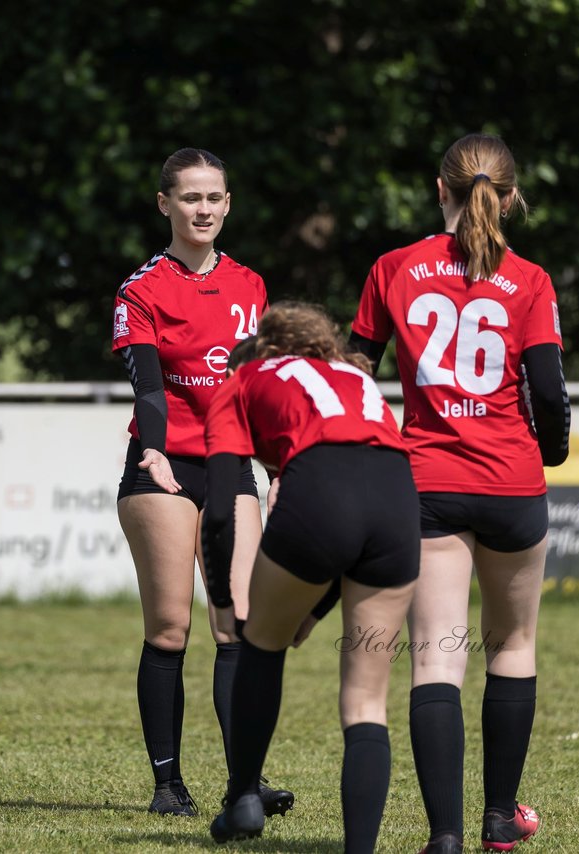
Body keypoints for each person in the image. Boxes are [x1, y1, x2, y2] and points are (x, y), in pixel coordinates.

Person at [348, 133, 571, 854]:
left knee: (437, 657)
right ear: (509, 198)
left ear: (438, 188)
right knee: (513, 644)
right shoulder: (530, 279)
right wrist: (553, 452)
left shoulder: (391, 268)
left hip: (426, 485)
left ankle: (443, 837)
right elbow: (548, 391)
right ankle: (499, 820)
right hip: (511, 483)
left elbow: (354, 379)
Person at [112, 147, 294, 818]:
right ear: (165, 204)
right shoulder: (142, 289)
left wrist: (279, 467)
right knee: (169, 627)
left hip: (229, 467)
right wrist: (155, 452)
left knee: (236, 628)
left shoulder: (250, 285)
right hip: (160, 468)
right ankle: (167, 785)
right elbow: (149, 390)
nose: (204, 209)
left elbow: (262, 387)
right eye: (190, 197)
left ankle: (243, 782)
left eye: (214, 197)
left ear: (227, 203)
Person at [202, 301, 419, 852]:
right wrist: (316, 610)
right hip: (399, 498)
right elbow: (363, 517)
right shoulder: (355, 375)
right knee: (367, 703)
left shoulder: (243, 378)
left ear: (262, 347)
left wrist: (225, 597)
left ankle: (244, 797)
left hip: (322, 486)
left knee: (260, 643)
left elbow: (224, 506)